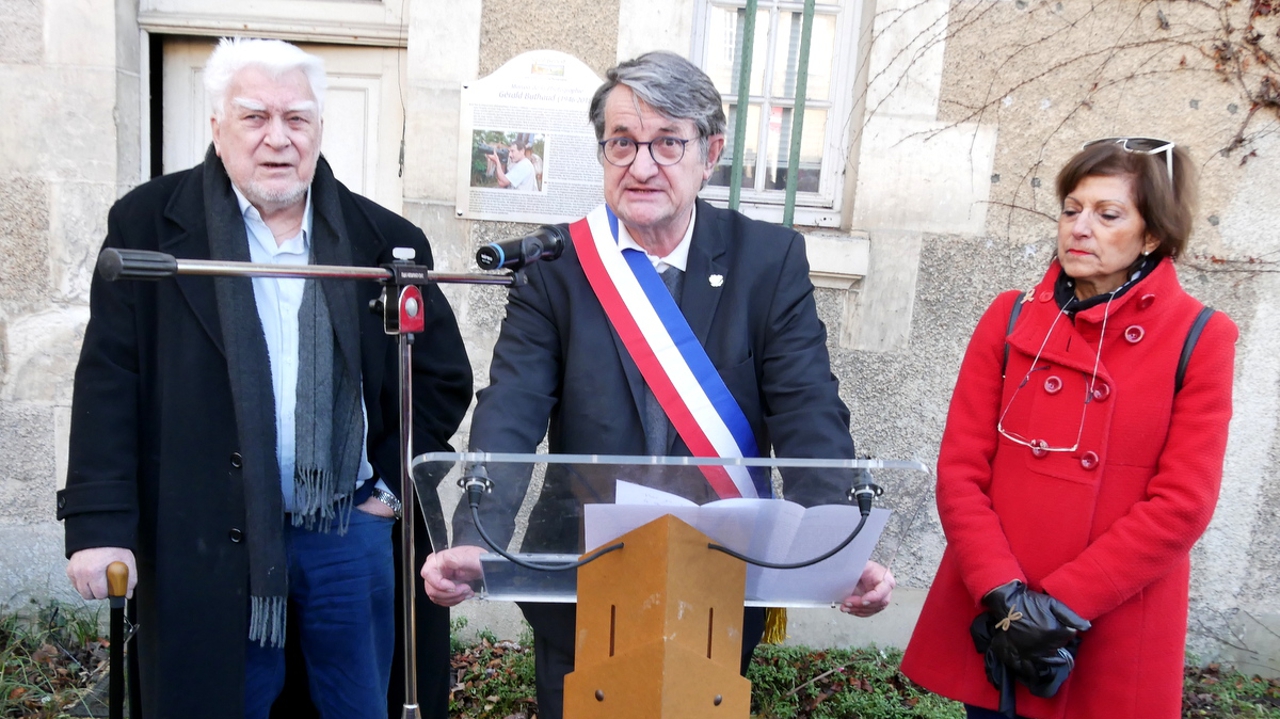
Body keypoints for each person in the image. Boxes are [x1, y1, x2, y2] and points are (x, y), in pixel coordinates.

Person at [422, 51, 895, 719]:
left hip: (720, 571)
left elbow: (807, 406)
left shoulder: (768, 259)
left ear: (711, 152)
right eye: (623, 142)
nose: (642, 165)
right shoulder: (555, 264)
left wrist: (834, 540)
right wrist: (475, 533)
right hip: (582, 572)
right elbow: (512, 408)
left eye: (667, 141)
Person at [57, 37, 473, 719]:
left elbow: (439, 379)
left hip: (348, 532)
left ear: (318, 129)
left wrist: (392, 491)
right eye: (254, 118)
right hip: (208, 533)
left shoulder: (385, 240)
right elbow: (110, 380)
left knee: (357, 704)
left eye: (297, 119)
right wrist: (100, 523)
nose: (277, 139)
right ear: (216, 126)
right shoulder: (150, 227)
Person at [900, 138, 1238, 719]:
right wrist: (1004, 596)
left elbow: (1183, 503)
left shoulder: (1200, 337)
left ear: (1151, 234)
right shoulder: (1008, 316)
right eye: (1071, 209)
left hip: (1107, 617)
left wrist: (1058, 606)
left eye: (1108, 215)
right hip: (1000, 604)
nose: (1080, 228)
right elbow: (960, 471)